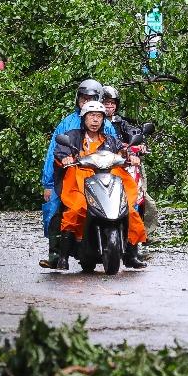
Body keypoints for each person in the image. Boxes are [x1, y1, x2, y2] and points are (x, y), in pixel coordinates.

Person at [53, 100, 147, 269]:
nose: (95, 120)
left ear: (104, 119)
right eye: (91, 116)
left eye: (98, 116)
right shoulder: (73, 136)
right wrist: (65, 157)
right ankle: (63, 256)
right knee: (76, 209)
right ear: (84, 118)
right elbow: (61, 151)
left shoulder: (110, 139)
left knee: (130, 210)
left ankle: (132, 254)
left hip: (109, 177)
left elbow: (123, 151)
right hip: (81, 179)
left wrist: (131, 156)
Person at [40, 79, 117, 268]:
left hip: (100, 176)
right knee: (56, 207)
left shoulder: (106, 126)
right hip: (72, 176)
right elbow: (54, 153)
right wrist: (48, 183)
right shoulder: (67, 124)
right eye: (83, 98)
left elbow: (117, 147)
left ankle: (132, 248)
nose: (86, 102)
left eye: (91, 98)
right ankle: (56, 254)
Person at [101, 85, 159, 232]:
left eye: (112, 103)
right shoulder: (91, 122)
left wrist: (140, 146)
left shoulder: (121, 122)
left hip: (126, 163)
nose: (109, 106)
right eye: (106, 102)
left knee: (142, 197)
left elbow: (135, 134)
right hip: (103, 165)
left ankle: (143, 232)